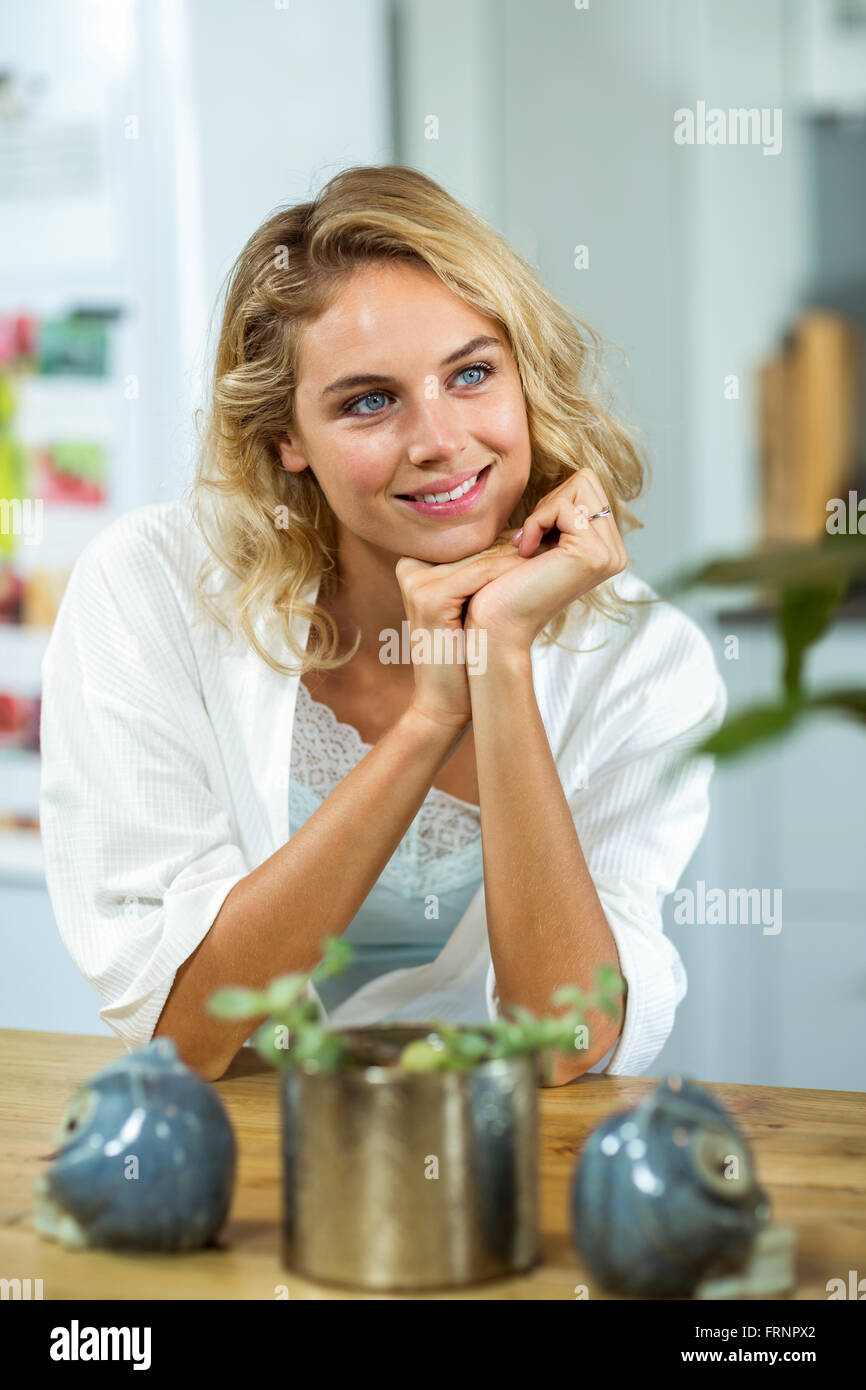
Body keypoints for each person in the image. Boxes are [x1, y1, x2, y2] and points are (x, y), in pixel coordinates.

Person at [39, 164, 726, 1083]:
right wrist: (429, 723)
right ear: (287, 438)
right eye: (369, 400)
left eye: (472, 374)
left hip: (508, 1159)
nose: (438, 439)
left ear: (526, 381)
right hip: (237, 1158)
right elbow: (183, 1035)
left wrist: (501, 662)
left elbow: (569, 1045)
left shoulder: (646, 660)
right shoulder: (151, 589)